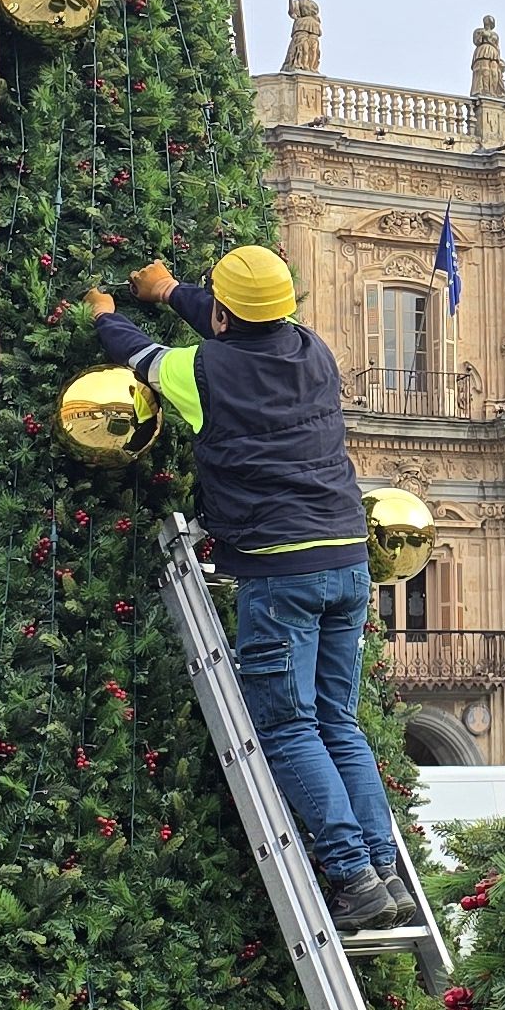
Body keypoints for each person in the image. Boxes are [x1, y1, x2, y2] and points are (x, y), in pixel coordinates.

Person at [91, 246, 413, 928]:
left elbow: (141, 359)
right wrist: (171, 290)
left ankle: (353, 878)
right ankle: (385, 867)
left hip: (280, 566)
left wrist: (105, 315)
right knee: (338, 722)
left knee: (288, 727)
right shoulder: (313, 352)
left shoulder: (204, 372)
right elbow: (233, 328)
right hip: (348, 557)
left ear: (225, 311)